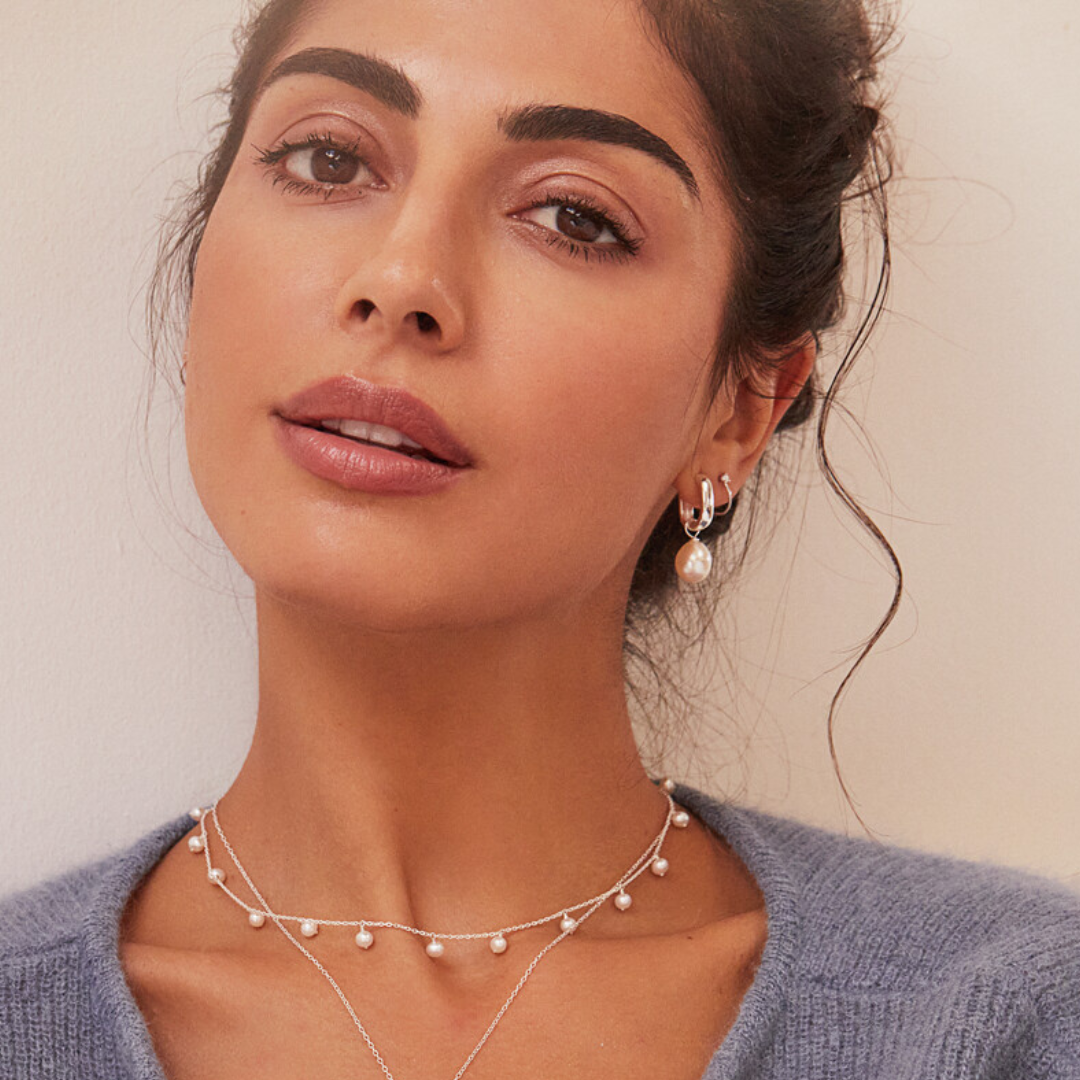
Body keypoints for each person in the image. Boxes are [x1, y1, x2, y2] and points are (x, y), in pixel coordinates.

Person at [2, 0, 1078, 1077]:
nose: (401, 282)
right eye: (329, 158)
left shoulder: (1007, 1021)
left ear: (740, 410)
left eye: (573, 218)